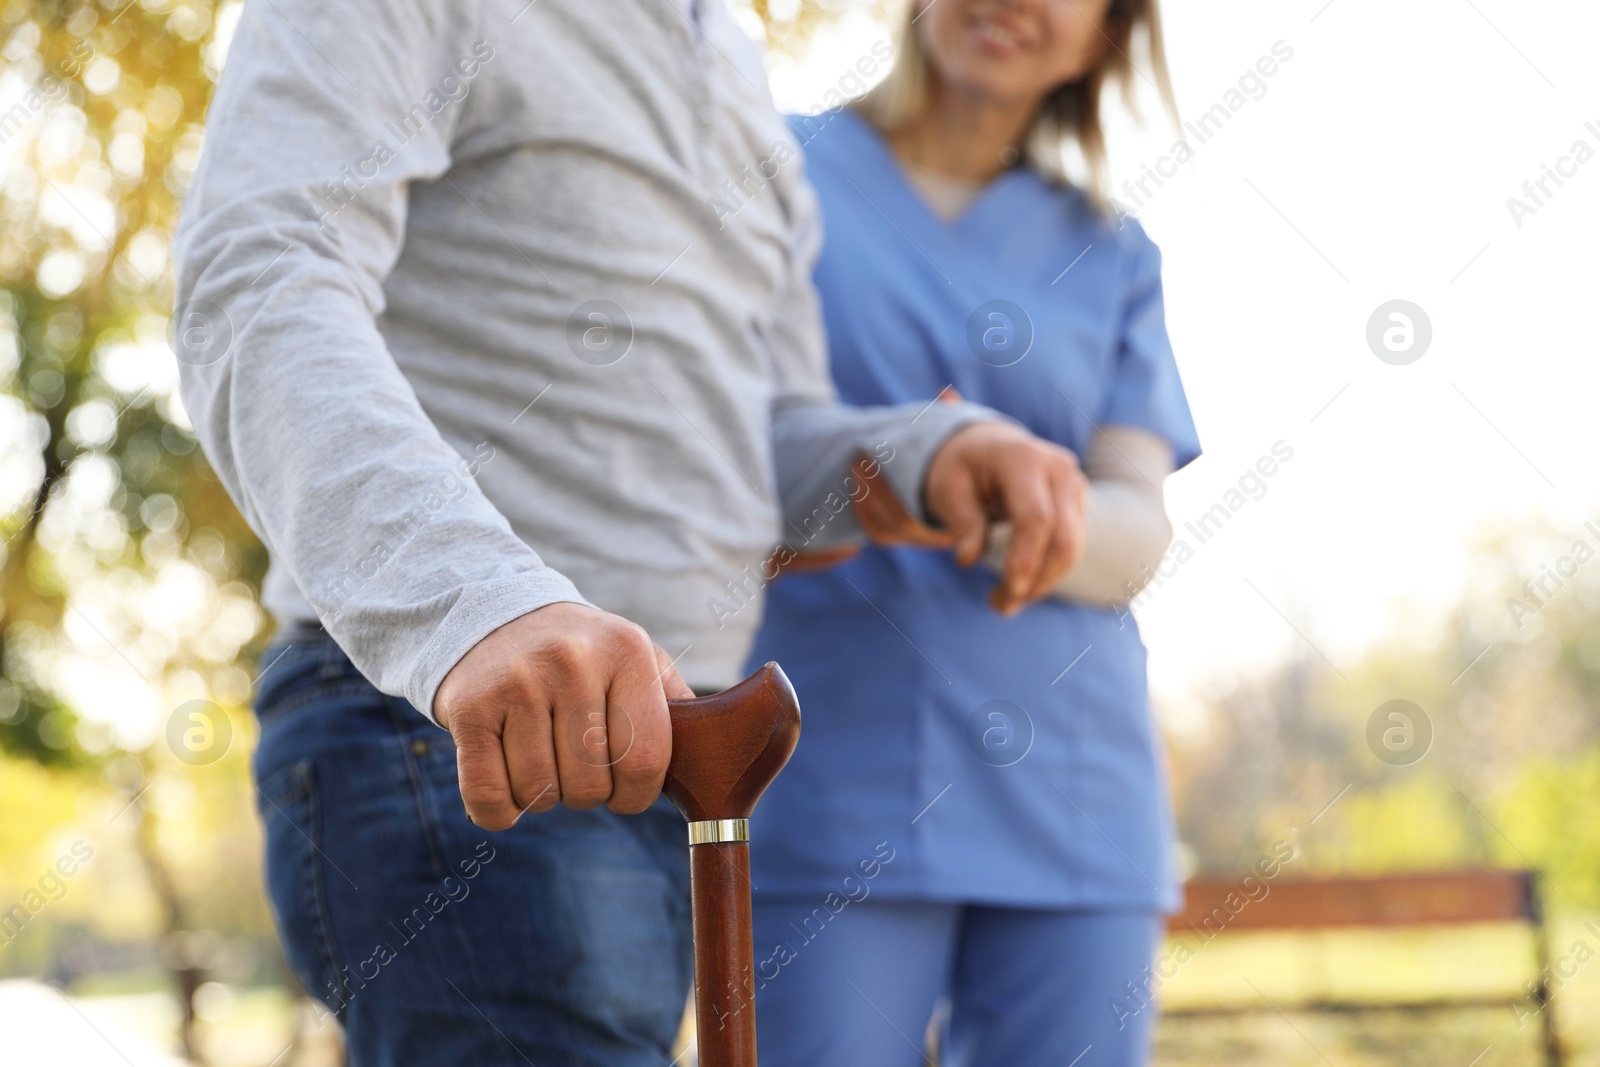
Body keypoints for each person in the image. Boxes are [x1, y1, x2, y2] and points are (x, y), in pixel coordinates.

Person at [171, 0, 1093, 1063]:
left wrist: (917, 453)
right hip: (455, 735)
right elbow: (259, 270)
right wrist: (474, 603)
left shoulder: (734, 63)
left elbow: (763, 435)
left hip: (676, 761)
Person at [742, 1, 1200, 1064]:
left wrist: (984, 497)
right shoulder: (770, 169)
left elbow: (1136, 527)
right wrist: (905, 460)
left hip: (1076, 790)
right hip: (817, 772)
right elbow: (710, 450)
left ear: (1108, 34)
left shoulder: (1112, 252)